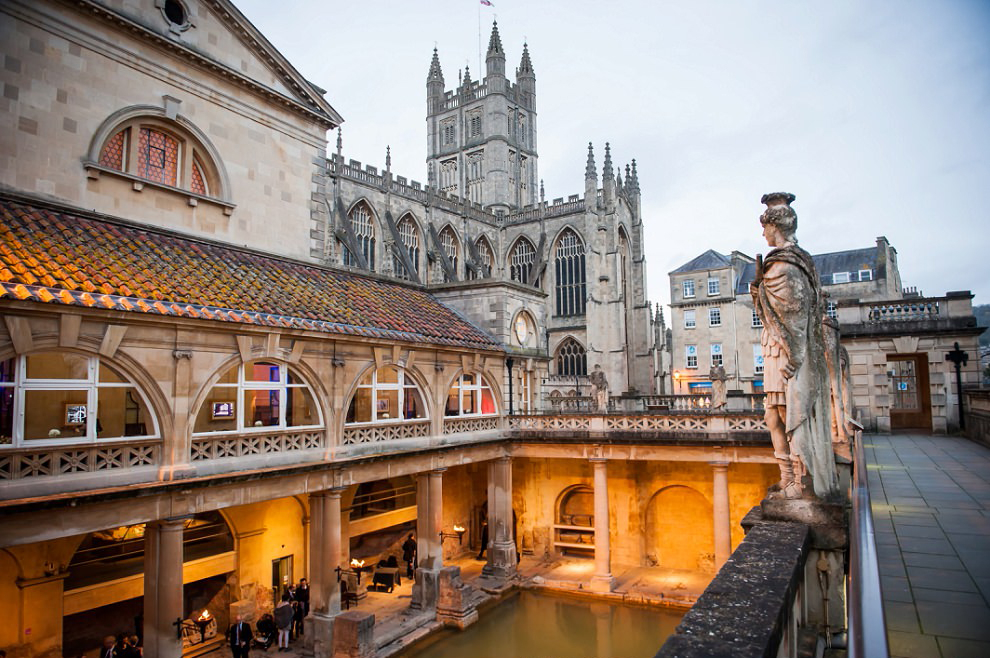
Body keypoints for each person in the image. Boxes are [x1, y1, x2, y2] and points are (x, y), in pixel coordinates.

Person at [751, 192, 838, 499]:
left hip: (786, 351)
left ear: (776, 226)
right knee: (773, 415)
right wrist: (758, 287)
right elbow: (772, 306)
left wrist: (796, 354)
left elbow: (797, 313)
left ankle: (799, 480)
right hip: (776, 346)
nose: (762, 233)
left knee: (788, 413)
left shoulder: (788, 264)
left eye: (764, 228)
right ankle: (788, 477)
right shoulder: (780, 263)